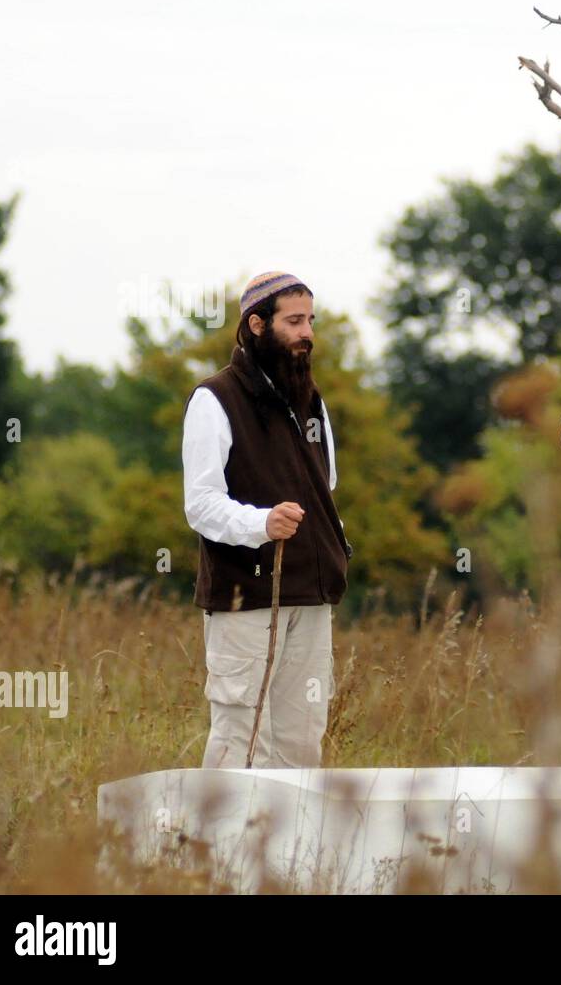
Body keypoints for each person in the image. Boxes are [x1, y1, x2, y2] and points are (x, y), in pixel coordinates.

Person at [181, 271, 351, 768]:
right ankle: (222, 848)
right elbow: (201, 503)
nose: (307, 333)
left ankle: (296, 850)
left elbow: (327, 488)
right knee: (242, 743)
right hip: (247, 595)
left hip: (313, 593)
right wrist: (260, 524)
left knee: (302, 744)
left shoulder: (313, 403)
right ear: (257, 324)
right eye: (294, 321)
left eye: (310, 321)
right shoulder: (214, 399)